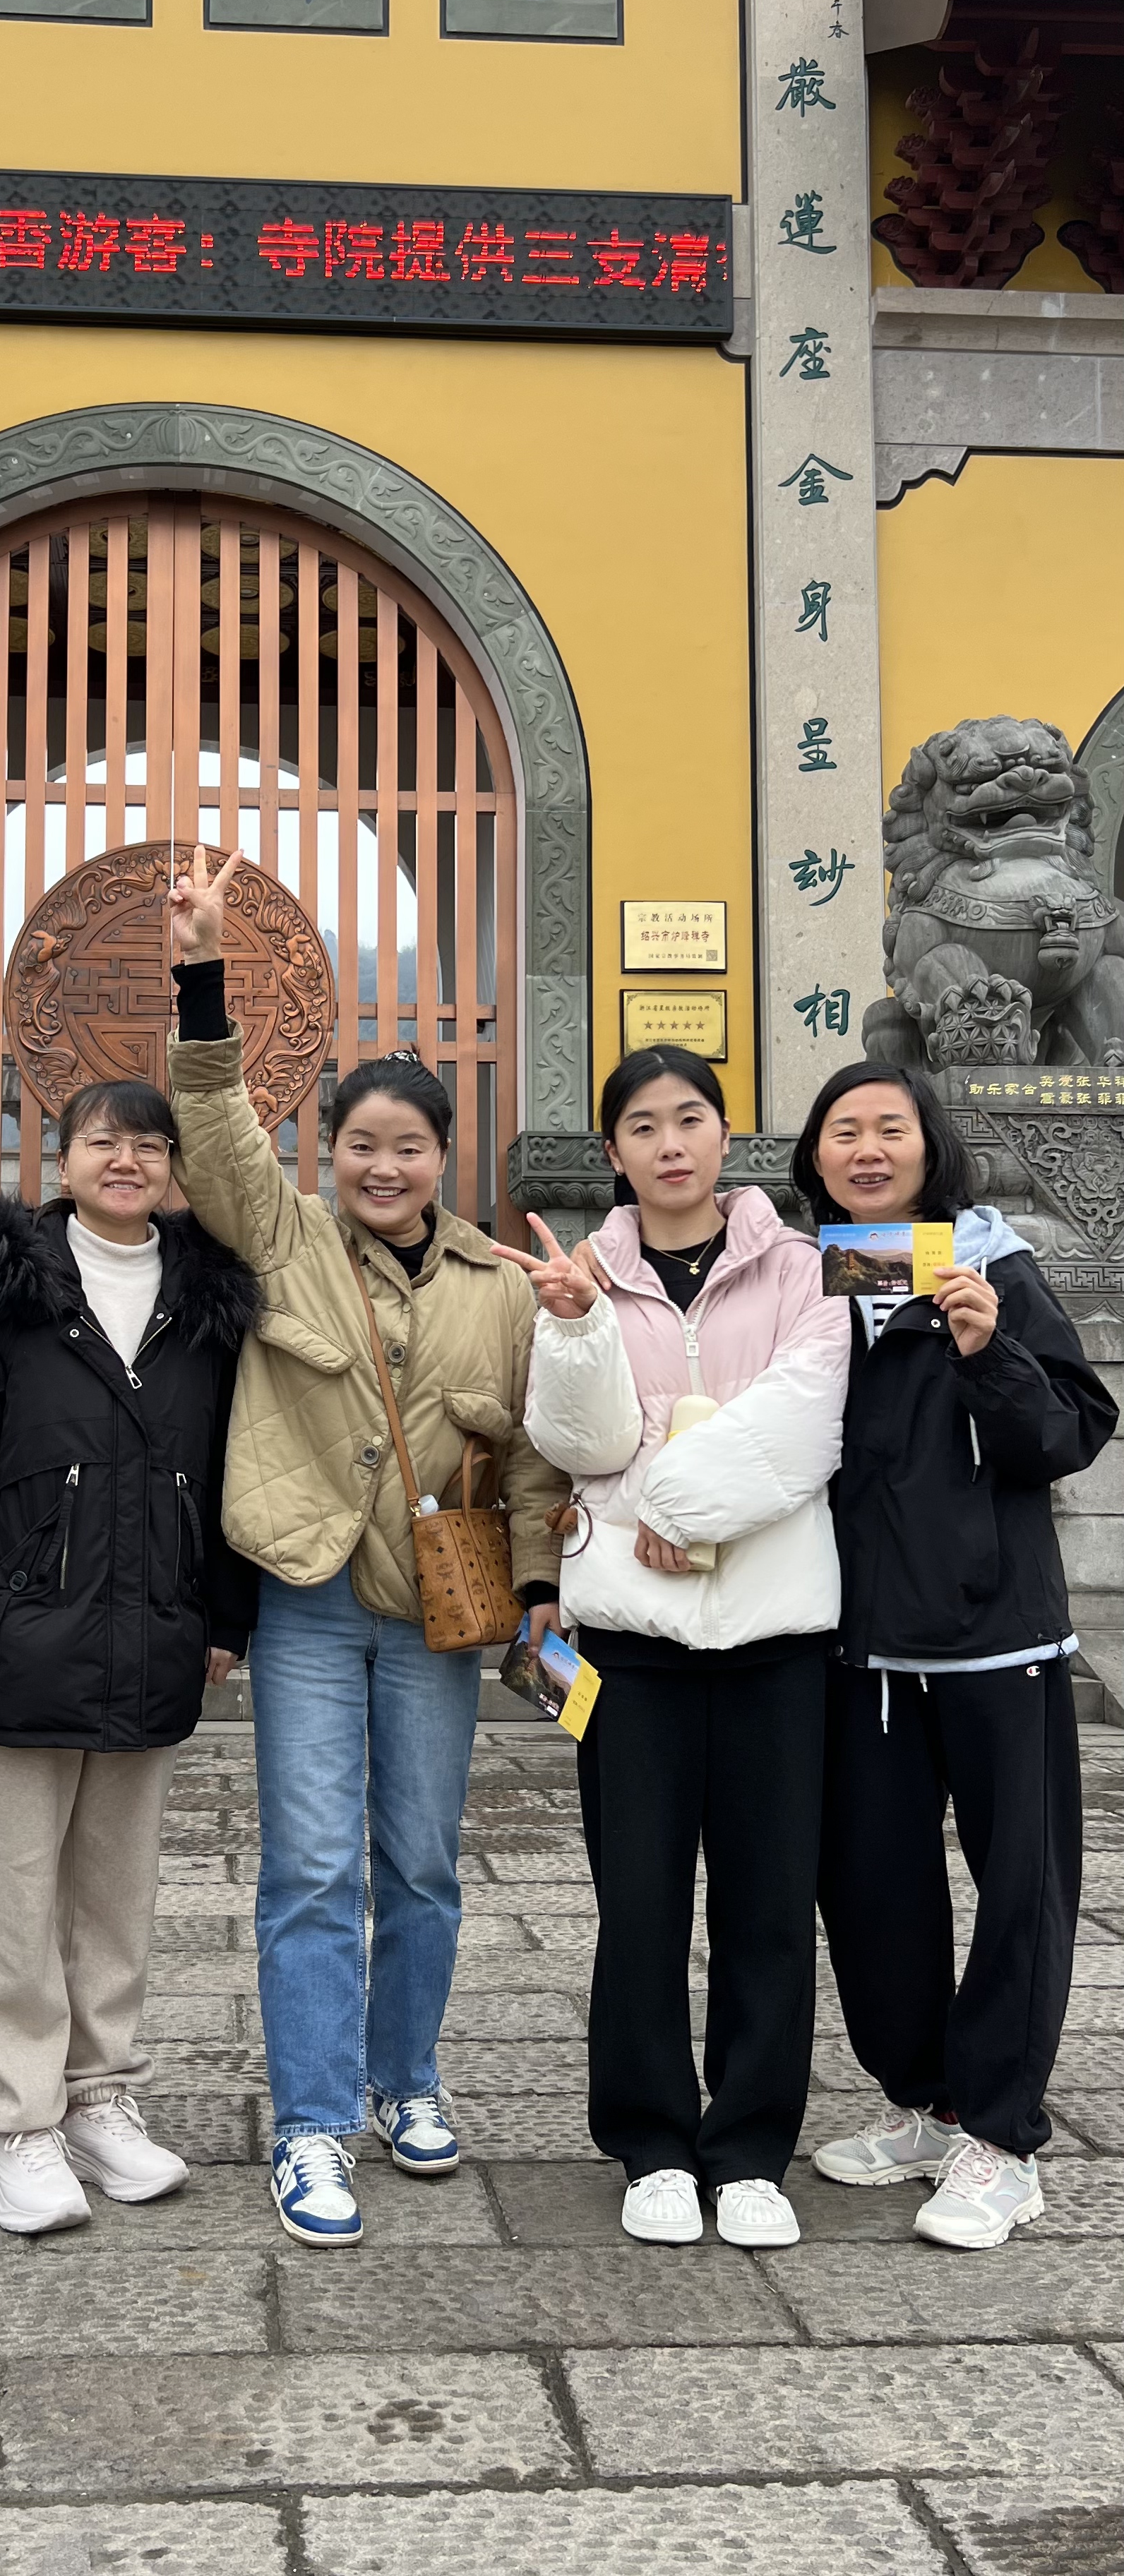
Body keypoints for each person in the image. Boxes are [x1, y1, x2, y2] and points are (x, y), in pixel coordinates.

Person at [165, 846, 566, 2248]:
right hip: (310, 1596)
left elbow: (529, 1451)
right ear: (327, 1151)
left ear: (444, 1158)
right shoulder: (282, 1240)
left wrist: (537, 1587)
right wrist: (202, 979)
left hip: (439, 1609)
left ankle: (407, 2079)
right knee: (311, 1869)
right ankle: (312, 2119)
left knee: (425, 1864)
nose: (384, 1167)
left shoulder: (501, 1285)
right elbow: (216, 1131)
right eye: (360, 1145)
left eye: (409, 1148)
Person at [0, 1079, 259, 2236]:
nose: (127, 1161)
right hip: (21, 1626)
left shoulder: (207, 1296)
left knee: (115, 1891)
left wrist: (225, 1616)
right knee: (12, 1894)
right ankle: (16, 2125)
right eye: (106, 1141)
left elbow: (232, 1464)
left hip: (155, 1629)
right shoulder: (4, 1289)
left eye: (149, 1145)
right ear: (64, 1160)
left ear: (174, 1168)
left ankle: (99, 2098)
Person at [498, 1047, 849, 2250]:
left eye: (689, 1118)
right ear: (614, 1151)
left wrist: (672, 1503)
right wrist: (578, 1329)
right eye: (642, 1126)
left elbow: (806, 1418)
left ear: (725, 1133)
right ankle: (651, 2143)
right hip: (633, 1645)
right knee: (638, 1904)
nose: (669, 1143)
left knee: (769, 1905)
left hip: (775, 1638)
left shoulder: (803, 1266)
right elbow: (582, 1443)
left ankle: (750, 2150)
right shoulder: (582, 1273)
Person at [792, 1062, 1117, 2247]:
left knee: (1022, 1888)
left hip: (996, 1639)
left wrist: (989, 1352)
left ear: (931, 1145)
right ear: (816, 1158)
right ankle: (929, 2104)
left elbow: (1069, 1432)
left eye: (891, 1128)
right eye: (844, 1131)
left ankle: (1003, 2139)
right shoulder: (812, 1275)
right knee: (871, 1891)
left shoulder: (992, 1264)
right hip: (860, 1647)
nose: (868, 1149)